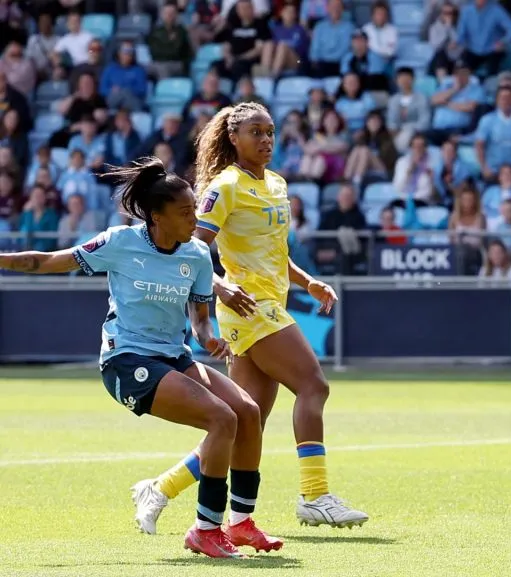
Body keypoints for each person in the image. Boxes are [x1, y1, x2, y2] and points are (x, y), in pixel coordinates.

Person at [0, 158, 278, 558]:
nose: (194, 219)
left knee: (248, 412)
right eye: (184, 212)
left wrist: (209, 339)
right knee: (222, 419)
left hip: (174, 356)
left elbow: (200, 320)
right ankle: (205, 530)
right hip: (127, 361)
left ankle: (241, 523)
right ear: (156, 216)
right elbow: (46, 261)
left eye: (195, 209)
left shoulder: (198, 254)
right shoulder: (120, 242)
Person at [132, 102, 370, 532]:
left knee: (246, 421)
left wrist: (308, 282)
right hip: (249, 307)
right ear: (233, 138)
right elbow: (190, 249)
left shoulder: (277, 183)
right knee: (314, 385)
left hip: (270, 302)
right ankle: (315, 495)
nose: (265, 140)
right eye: (255, 132)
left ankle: (160, 488)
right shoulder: (225, 186)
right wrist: (220, 285)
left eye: (270, 132)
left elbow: (276, 252)